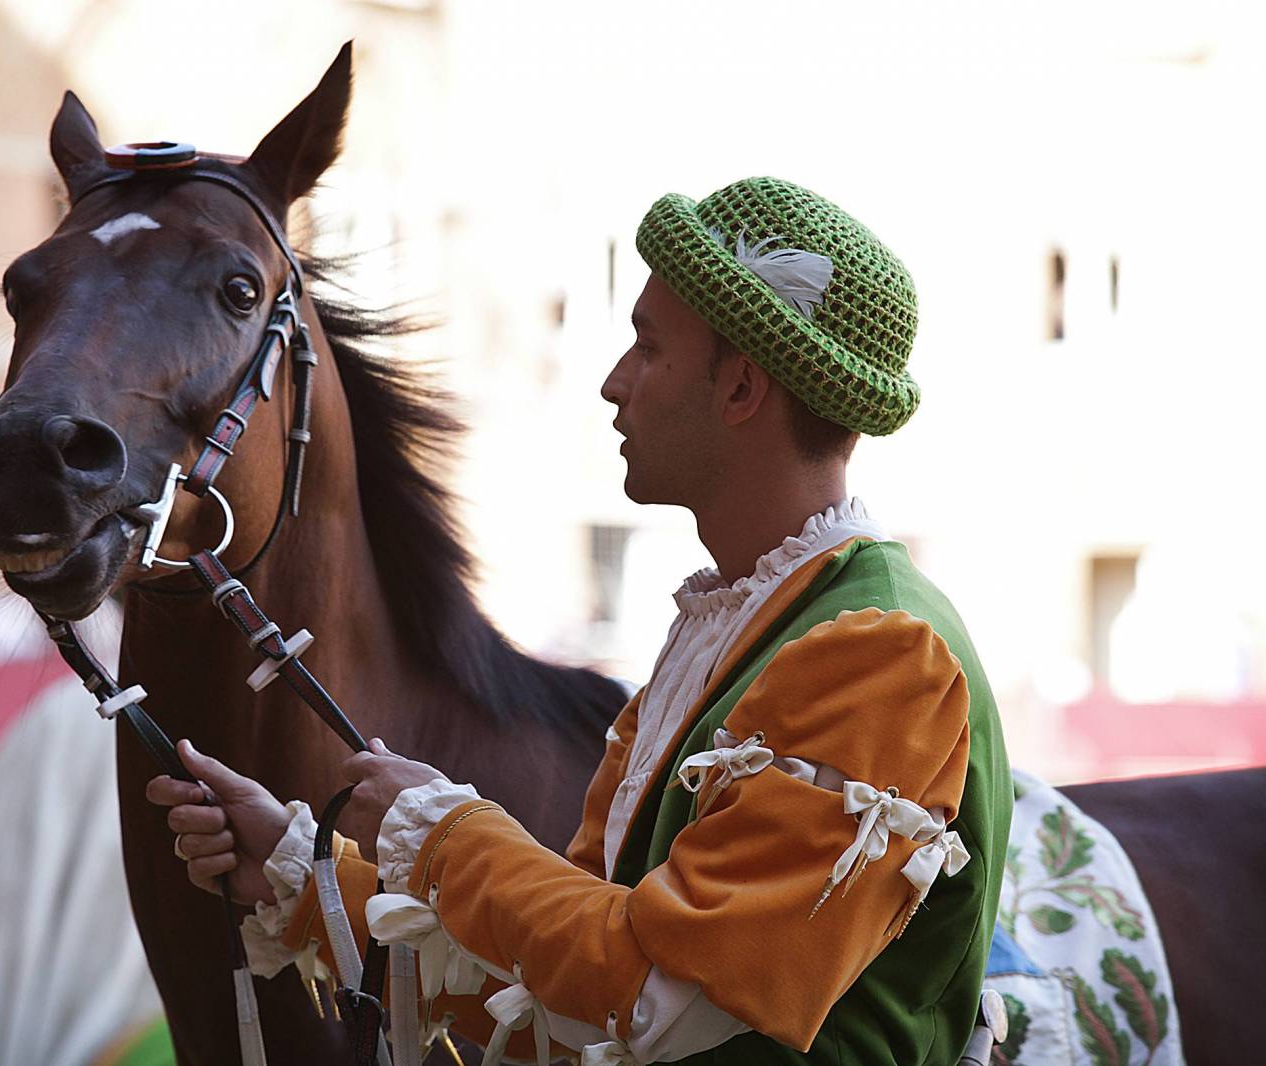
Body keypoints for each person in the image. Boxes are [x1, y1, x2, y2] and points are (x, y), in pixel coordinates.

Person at [147, 177, 1012, 1064]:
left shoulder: (881, 652)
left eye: (647, 347)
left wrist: (445, 830)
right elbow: (561, 985)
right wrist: (308, 880)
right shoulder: (728, 631)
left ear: (743, 388)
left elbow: (658, 1003)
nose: (613, 383)